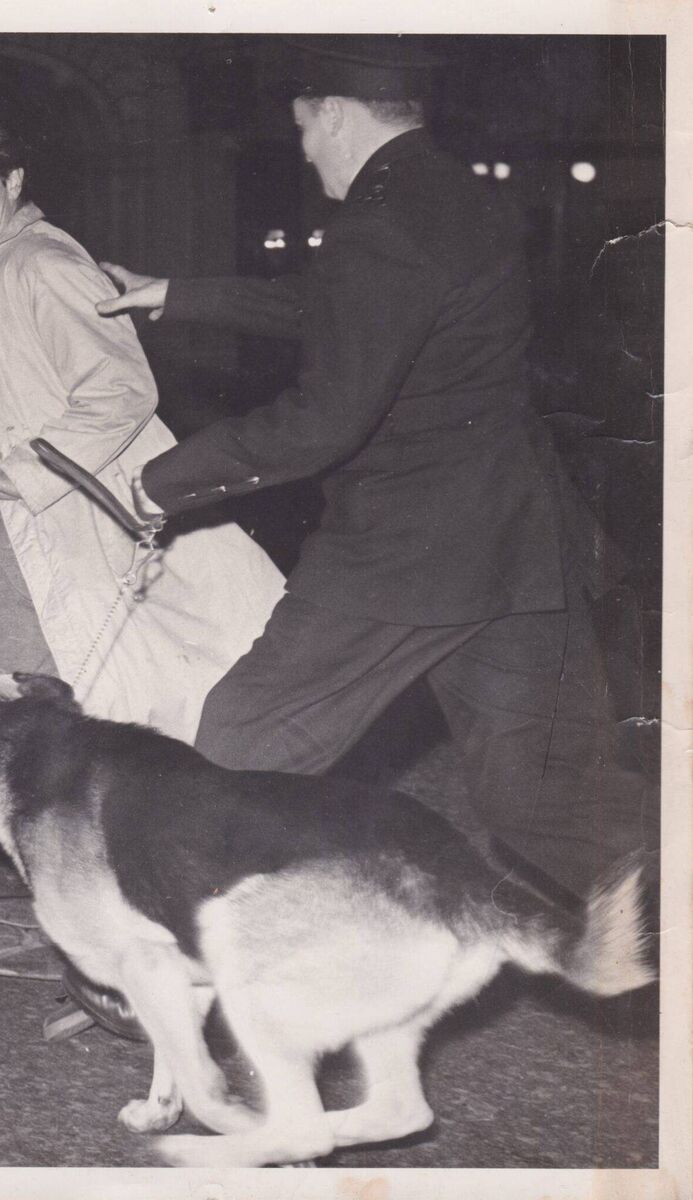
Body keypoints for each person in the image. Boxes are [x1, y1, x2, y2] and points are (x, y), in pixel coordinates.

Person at [96, 36, 657, 903]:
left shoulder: (378, 222)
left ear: (332, 113)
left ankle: (176, 959)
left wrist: (159, 482)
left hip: (403, 553)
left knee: (238, 744)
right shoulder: (451, 194)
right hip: (514, 548)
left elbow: (321, 419)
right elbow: (354, 311)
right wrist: (178, 292)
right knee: (547, 800)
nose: (305, 148)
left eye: (304, 129)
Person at [0, 119, 284, 919]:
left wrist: (13, 474)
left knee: (24, 694)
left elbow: (122, 390)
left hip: (46, 525)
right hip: (2, 531)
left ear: (12, 180)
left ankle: (113, 890)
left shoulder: (41, 262)